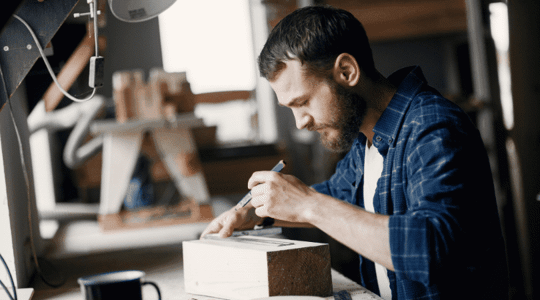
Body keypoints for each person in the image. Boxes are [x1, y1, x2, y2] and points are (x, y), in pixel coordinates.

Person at [201, 5, 508, 300]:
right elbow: (337, 194)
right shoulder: (367, 137)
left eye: (303, 102)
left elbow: (431, 246)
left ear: (347, 71)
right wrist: (254, 212)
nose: (301, 122)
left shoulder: (432, 126)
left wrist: (308, 204)